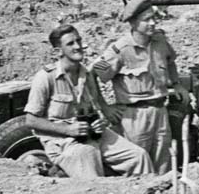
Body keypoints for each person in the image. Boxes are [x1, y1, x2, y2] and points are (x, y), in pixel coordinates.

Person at [24, 24, 153, 178]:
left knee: (139, 156)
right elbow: (31, 120)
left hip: (93, 135)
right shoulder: (46, 77)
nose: (78, 46)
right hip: (63, 142)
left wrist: (100, 123)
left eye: (79, 40)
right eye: (71, 43)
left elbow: (96, 109)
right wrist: (68, 129)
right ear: (58, 51)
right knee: (87, 155)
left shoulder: (88, 75)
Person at [93, 0, 190, 174]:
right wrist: (105, 107)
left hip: (160, 111)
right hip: (134, 116)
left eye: (154, 18)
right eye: (146, 20)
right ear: (133, 23)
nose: (152, 23)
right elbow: (91, 75)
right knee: (139, 168)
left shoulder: (160, 41)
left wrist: (176, 84)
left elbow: (170, 61)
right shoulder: (121, 49)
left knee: (164, 166)